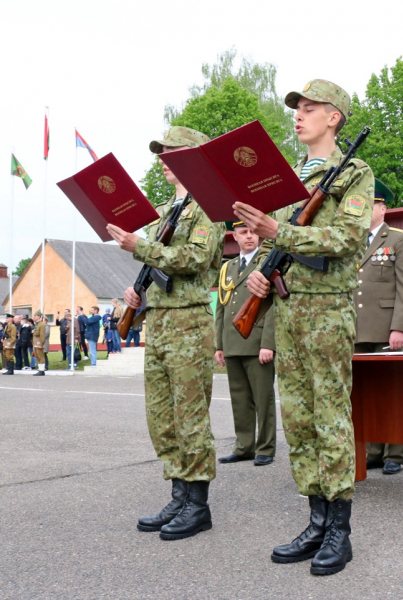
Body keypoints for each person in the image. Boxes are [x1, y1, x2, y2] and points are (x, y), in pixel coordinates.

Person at [236, 79, 373, 576]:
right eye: (297, 108)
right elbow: (280, 249)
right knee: (297, 417)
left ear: (334, 117)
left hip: (328, 310)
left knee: (330, 417)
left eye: (310, 108)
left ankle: (340, 530)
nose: (299, 115)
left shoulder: (354, 173)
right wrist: (262, 273)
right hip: (289, 312)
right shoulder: (289, 177)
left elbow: (347, 237)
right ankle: (315, 519)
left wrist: (281, 232)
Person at [106, 125, 224, 541]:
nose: (163, 158)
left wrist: (140, 246)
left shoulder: (209, 206)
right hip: (157, 321)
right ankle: (178, 493)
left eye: (172, 151)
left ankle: (198, 504)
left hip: (189, 322)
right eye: (161, 151)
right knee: (161, 416)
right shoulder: (161, 212)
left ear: (193, 157)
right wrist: (136, 298)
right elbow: (157, 267)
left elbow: (195, 257)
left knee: (190, 415)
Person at [355, 178, 403, 475]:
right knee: (366, 393)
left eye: (371, 204)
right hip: (356, 329)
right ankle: (373, 451)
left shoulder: (399, 238)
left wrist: (400, 328)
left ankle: (395, 453)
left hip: (385, 328)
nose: (365, 209)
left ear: (383, 208)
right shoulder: (351, 239)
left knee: (392, 393)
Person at [214, 221, 277, 467]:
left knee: (263, 398)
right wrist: (219, 345)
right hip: (232, 342)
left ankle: (265, 448)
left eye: (252, 232)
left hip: (256, 341)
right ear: (235, 237)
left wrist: (268, 343)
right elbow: (221, 307)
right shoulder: (227, 267)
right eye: (243, 233)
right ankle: (244, 446)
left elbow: (272, 305)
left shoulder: (267, 262)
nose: (249, 236)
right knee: (239, 398)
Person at [31, 311, 46, 376]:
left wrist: (41, 344)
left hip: (39, 342)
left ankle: (42, 370)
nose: (34, 317)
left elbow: (42, 335)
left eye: (35, 316)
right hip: (36, 342)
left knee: (40, 356)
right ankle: (40, 369)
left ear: (39, 316)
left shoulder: (41, 324)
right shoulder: (37, 324)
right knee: (37, 356)